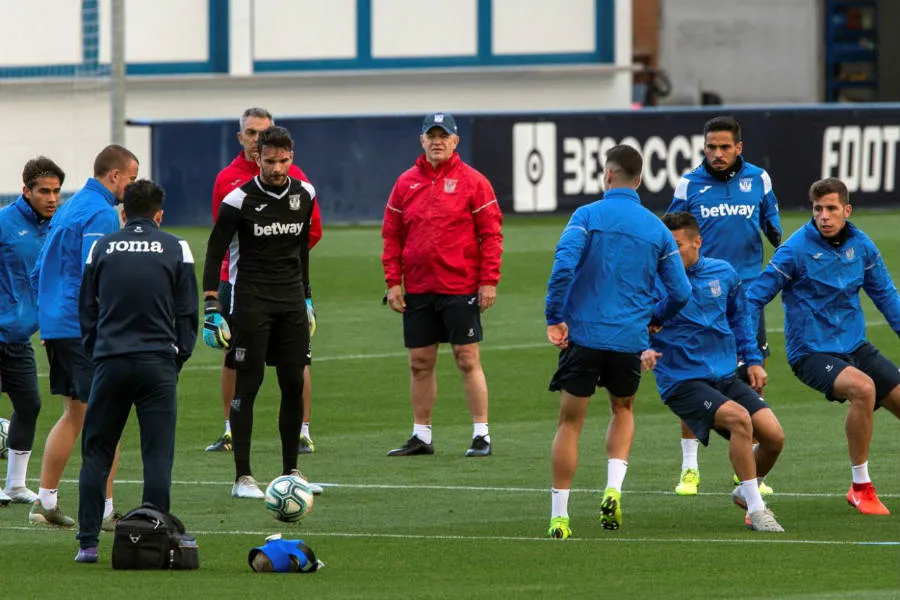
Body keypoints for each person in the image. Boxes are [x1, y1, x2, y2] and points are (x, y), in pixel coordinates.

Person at [544, 145, 691, 539]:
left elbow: (562, 267)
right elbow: (680, 293)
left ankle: (560, 517)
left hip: (584, 335)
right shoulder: (658, 229)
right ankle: (613, 489)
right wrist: (654, 319)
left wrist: (554, 318)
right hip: (628, 339)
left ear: (607, 175)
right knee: (622, 410)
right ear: (639, 180)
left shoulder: (586, 216)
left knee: (570, 423)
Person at [747, 177, 900, 516]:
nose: (824, 216)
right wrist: (751, 353)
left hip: (855, 346)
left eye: (832, 208)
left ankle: (747, 488)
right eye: (818, 209)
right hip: (811, 353)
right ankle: (860, 486)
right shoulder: (794, 250)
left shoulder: (861, 246)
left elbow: (887, 297)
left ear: (847, 210)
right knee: (863, 388)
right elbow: (752, 298)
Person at [75, 179, 198, 563]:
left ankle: (88, 544)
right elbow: (188, 312)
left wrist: (97, 350)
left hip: (111, 362)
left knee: (97, 452)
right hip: (157, 363)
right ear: (159, 215)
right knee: (157, 454)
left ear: (122, 212)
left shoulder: (102, 246)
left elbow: (86, 308)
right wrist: (177, 359)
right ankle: (154, 538)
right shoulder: (176, 246)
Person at [642, 212, 785, 532]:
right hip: (681, 381)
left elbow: (740, 320)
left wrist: (753, 360)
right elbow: (633, 319)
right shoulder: (653, 282)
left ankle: (744, 490)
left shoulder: (724, 273)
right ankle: (758, 509)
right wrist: (642, 347)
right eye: (666, 247)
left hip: (724, 375)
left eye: (676, 246)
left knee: (774, 437)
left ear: (697, 242)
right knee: (739, 420)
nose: (670, 253)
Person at [667, 116, 782, 496]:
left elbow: (773, 227)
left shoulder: (760, 180)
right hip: (701, 295)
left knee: (753, 369)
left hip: (747, 293)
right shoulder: (689, 184)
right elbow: (672, 230)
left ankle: (747, 467)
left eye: (724, 147)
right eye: (710, 147)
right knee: (695, 373)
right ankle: (689, 468)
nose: (716, 154)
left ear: (739, 148)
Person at [203, 125, 319, 499]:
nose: (277, 168)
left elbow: (301, 250)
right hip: (251, 303)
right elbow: (214, 251)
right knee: (248, 386)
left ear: (292, 157)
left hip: (290, 304)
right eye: (270, 161)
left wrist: (307, 297)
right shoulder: (238, 200)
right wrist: (211, 306)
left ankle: (291, 473)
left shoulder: (305, 194)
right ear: (258, 158)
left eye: (284, 161)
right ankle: (243, 478)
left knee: (292, 384)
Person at [29, 144, 139, 528]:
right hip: (82, 329)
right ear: (114, 176)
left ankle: (45, 500)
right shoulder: (101, 213)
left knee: (73, 417)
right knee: (104, 420)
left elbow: (39, 268)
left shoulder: (72, 206)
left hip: (60, 326)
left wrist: (48, 320)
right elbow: (97, 275)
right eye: (131, 178)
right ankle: (106, 511)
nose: (132, 185)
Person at [381, 112, 503, 458]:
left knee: (467, 358)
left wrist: (488, 281)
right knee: (419, 362)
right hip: (418, 287)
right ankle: (421, 435)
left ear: (455, 141)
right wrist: (394, 282)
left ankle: (482, 434)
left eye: (443, 136)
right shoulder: (405, 183)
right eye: (430, 135)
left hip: (460, 285)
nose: (437, 141)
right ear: (421, 140)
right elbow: (391, 235)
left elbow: (491, 235)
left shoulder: (474, 182)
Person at [0, 158, 63, 507]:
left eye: (56, 191)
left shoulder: (55, 227)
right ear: (25, 191)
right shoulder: (4, 222)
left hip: (19, 337)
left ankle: (15, 484)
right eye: (44, 191)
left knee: (29, 404)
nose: (52, 198)